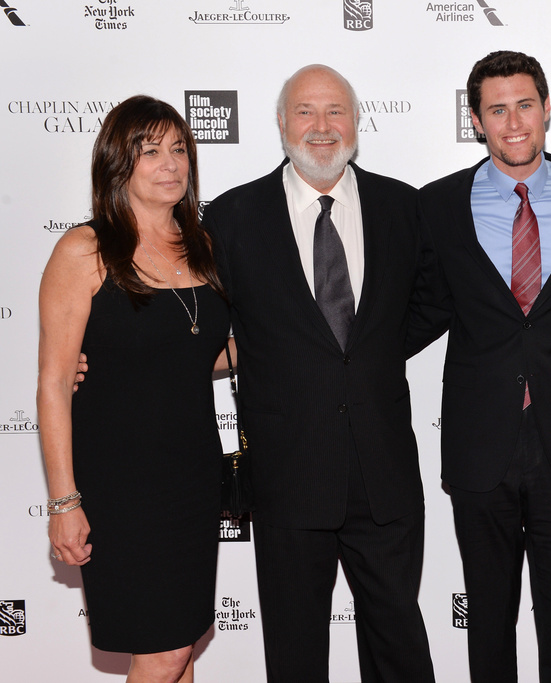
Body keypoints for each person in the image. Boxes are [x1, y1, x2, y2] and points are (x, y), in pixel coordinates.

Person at [200, 64, 435, 683]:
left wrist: (371, 354)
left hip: (383, 475)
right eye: (306, 111)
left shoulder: (403, 207)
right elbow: (194, 325)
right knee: (296, 654)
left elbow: (436, 301)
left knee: (399, 649)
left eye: (336, 111)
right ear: (281, 123)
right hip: (285, 476)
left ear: (358, 121)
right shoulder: (231, 219)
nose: (322, 126)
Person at [415, 50, 551, 683]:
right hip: (480, 445)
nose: (513, 123)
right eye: (496, 110)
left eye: (524, 104)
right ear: (476, 121)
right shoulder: (438, 205)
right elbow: (421, 307)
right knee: (490, 627)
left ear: (548, 108)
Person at [38, 95, 230, 682]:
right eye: (151, 151)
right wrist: (65, 502)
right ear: (118, 162)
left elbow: (208, 352)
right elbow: (52, 384)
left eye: (179, 149)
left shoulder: (205, 246)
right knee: (165, 649)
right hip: (121, 486)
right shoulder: (85, 250)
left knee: (179, 645)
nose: (171, 163)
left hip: (193, 477)